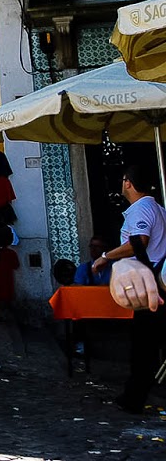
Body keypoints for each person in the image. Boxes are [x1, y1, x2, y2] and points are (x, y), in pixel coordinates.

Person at [90, 163, 166, 413]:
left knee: (144, 345)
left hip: (149, 283)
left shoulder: (141, 209)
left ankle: (134, 398)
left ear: (127, 182)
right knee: (149, 344)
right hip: (156, 280)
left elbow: (138, 242)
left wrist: (105, 256)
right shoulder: (159, 209)